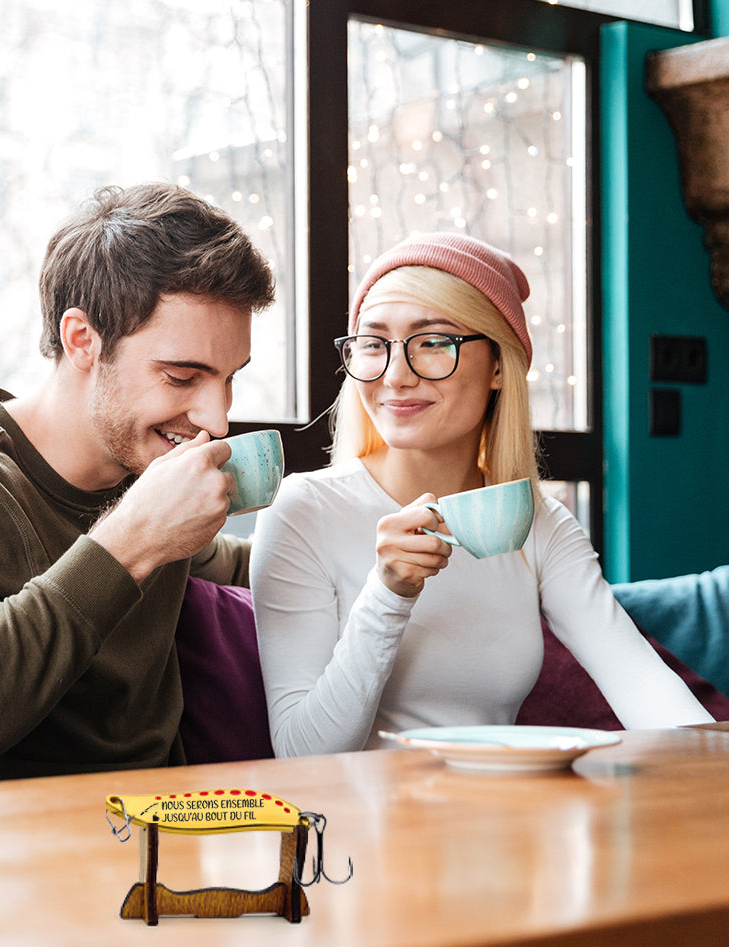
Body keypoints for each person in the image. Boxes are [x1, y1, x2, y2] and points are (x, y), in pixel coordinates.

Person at [0, 181, 275, 789]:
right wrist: (131, 542)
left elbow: (231, 565)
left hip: (152, 845)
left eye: (230, 380)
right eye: (182, 377)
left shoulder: (138, 470)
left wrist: (366, 559)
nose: (216, 419)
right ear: (82, 340)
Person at [250, 232, 713, 757]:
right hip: (361, 832)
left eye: (433, 342)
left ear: (498, 366)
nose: (395, 377)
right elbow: (304, 756)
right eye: (375, 345)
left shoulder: (538, 523)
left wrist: (709, 761)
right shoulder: (305, 510)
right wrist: (389, 592)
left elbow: (642, 685)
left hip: (507, 826)